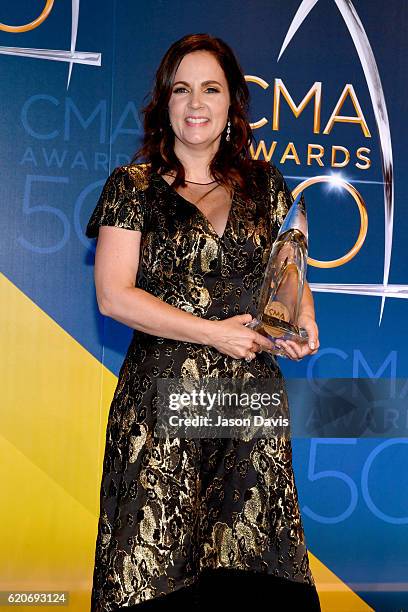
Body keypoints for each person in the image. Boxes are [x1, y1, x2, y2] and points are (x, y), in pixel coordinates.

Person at [85, 33, 321, 611]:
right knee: (156, 574)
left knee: (253, 569)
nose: (196, 102)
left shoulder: (266, 187)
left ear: (231, 103)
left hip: (248, 411)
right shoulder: (131, 188)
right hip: (164, 405)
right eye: (181, 89)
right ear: (164, 103)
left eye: (210, 88)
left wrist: (300, 325)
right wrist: (214, 331)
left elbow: (290, 277)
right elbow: (114, 298)